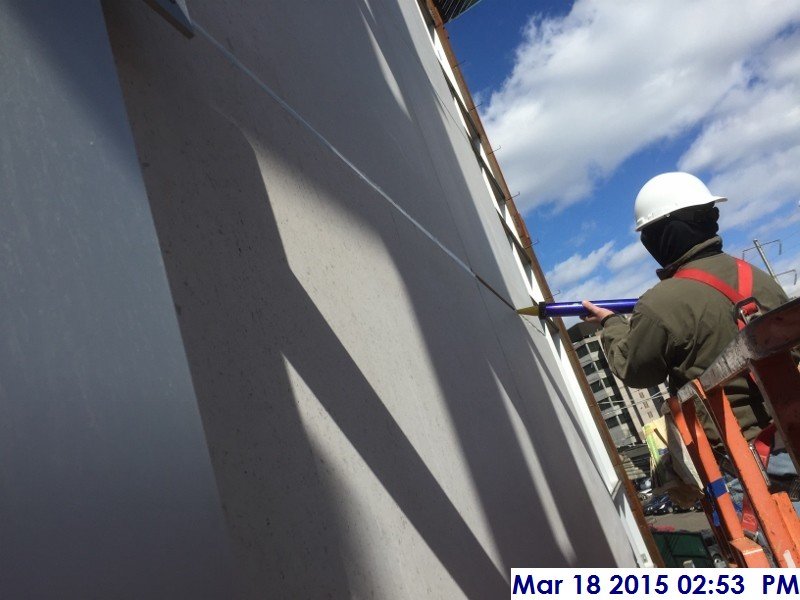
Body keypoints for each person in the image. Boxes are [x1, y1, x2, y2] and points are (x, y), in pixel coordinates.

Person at [581, 172, 791, 474]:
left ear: (659, 237)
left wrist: (610, 323)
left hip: (748, 460)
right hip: (791, 432)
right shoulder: (758, 277)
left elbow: (636, 370)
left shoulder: (660, 302)